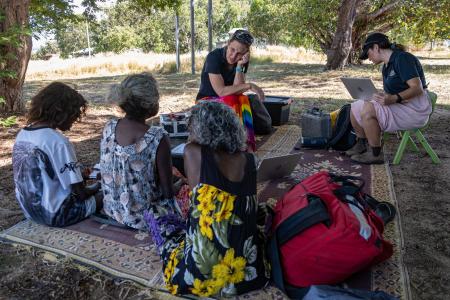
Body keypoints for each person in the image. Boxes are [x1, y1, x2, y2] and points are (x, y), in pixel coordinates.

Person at [144, 101, 269, 297]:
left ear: (201, 129)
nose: (189, 133)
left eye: (191, 127)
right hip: (248, 274)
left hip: (199, 276)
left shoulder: (193, 151)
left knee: (157, 215)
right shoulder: (250, 159)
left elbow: (198, 206)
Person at [12, 82, 102, 227]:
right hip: (58, 216)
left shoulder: (23, 134)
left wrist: (81, 176)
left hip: (31, 212)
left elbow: (45, 174)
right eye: (75, 113)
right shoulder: (59, 142)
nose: (76, 119)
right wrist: (100, 186)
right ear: (61, 111)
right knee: (107, 196)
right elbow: (80, 194)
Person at [99, 73, 175, 230]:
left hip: (113, 211)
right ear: (150, 103)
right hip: (145, 219)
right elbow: (168, 192)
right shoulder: (157, 137)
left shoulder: (109, 127)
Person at [346, 32, 432, 164]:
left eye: (368, 53)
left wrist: (393, 98)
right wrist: (383, 96)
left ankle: (375, 154)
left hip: (415, 109)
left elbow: (417, 88)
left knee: (368, 109)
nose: (368, 58)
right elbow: (392, 93)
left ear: (376, 47)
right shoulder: (386, 67)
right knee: (356, 105)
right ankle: (361, 143)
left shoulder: (402, 59)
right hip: (402, 104)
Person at [196, 29, 272, 151]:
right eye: (232, 49)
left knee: (242, 98)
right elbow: (221, 91)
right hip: (206, 101)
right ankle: (236, 142)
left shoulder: (242, 61)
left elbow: (238, 88)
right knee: (232, 98)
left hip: (226, 100)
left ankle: (246, 141)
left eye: (239, 53)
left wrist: (239, 66)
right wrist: (250, 85)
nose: (234, 55)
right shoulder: (213, 57)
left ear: (246, 53)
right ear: (228, 43)